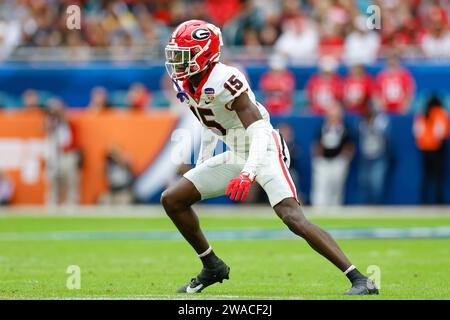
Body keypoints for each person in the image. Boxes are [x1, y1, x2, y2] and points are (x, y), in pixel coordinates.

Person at [161, 20, 377, 295]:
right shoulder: (189, 81)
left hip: (265, 148)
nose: (177, 62)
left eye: (183, 54)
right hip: (237, 151)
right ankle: (212, 266)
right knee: (173, 199)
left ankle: (360, 279)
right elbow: (208, 123)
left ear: (204, 54)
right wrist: (203, 162)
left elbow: (260, 131)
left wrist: (249, 172)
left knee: (292, 217)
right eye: (175, 54)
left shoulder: (226, 79)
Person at [311, 102, 354, 206]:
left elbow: (350, 145)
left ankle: (335, 209)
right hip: (323, 161)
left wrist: (344, 159)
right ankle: (319, 208)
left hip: (338, 161)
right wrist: (318, 159)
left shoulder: (345, 128)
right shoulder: (322, 126)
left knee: (336, 187)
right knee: (321, 186)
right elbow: (316, 143)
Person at [413, 95, 450, 204]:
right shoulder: (440, 113)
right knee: (438, 176)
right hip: (437, 148)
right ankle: (438, 200)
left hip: (424, 148)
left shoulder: (421, 114)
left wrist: (424, 142)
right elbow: (442, 131)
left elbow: (417, 131)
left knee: (426, 175)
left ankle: (423, 200)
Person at [44, 99, 80, 206]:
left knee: (70, 179)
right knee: (53, 179)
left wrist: (60, 112)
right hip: (54, 155)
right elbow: (45, 130)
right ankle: (52, 202)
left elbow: (67, 121)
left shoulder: (67, 122)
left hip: (67, 153)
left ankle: (71, 202)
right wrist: (51, 117)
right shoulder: (50, 121)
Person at [359, 109, 390, 204]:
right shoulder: (362, 123)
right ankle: (366, 204)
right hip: (365, 156)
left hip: (378, 155)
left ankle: (376, 205)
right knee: (364, 182)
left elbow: (385, 136)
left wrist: (374, 124)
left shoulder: (380, 122)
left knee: (376, 182)